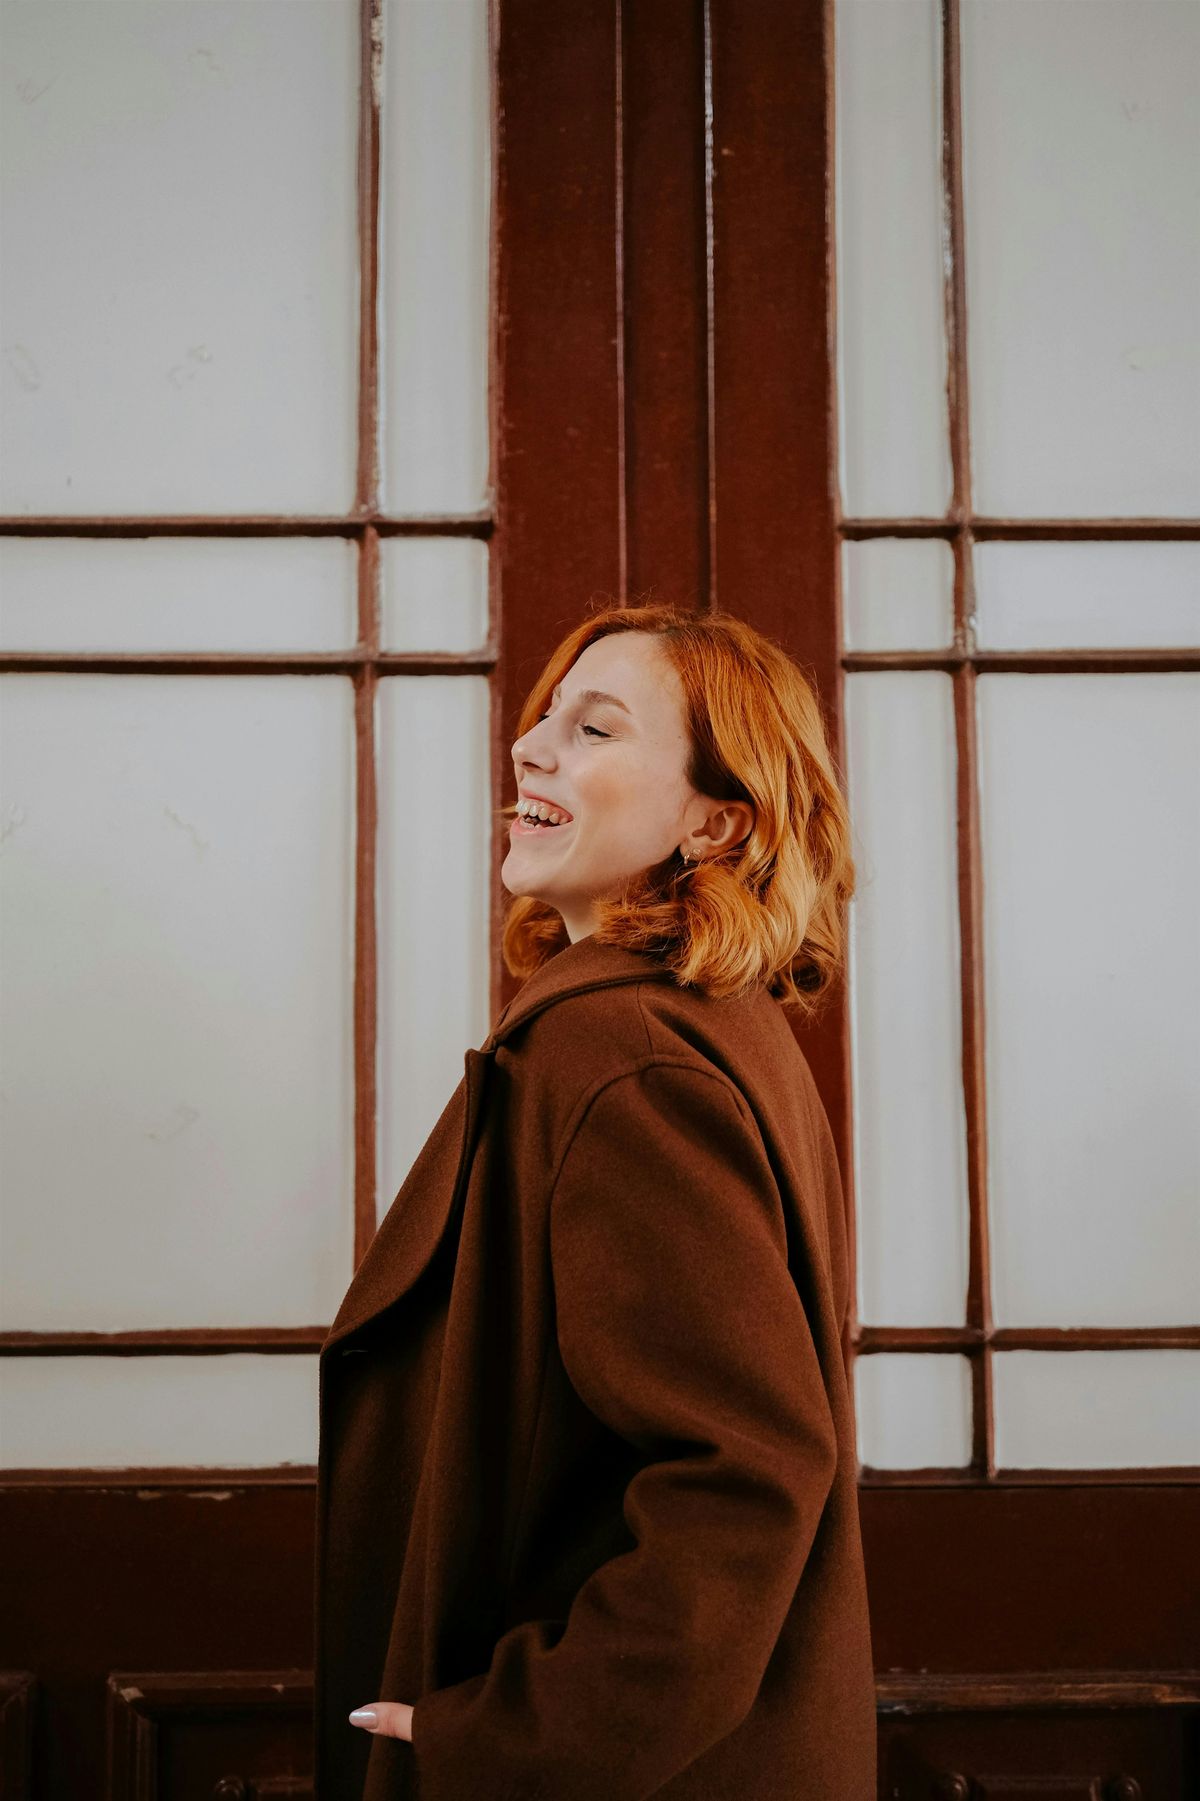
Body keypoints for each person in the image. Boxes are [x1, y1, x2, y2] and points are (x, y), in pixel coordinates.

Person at [314, 603, 877, 1799]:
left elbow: (747, 1468)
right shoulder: (699, 1023)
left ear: (714, 821)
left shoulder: (623, 1053)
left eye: (595, 728)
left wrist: (518, 1733)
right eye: (546, 719)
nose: (530, 747)